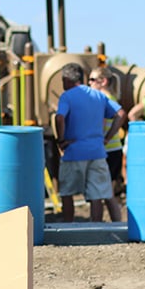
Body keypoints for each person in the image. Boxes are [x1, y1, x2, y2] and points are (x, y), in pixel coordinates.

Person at [55, 63, 126, 223]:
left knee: (67, 192)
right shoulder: (99, 95)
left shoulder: (67, 96)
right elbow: (121, 114)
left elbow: (59, 117)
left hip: (74, 151)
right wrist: (107, 137)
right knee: (98, 194)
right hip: (97, 152)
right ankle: (97, 227)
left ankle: (68, 226)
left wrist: (61, 140)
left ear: (67, 79)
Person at [87, 66, 125, 221]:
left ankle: (95, 225)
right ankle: (116, 223)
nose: (89, 84)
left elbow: (119, 116)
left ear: (103, 81)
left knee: (97, 192)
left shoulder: (103, 98)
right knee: (107, 191)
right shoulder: (110, 97)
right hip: (113, 149)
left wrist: (105, 138)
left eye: (92, 80)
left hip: (106, 150)